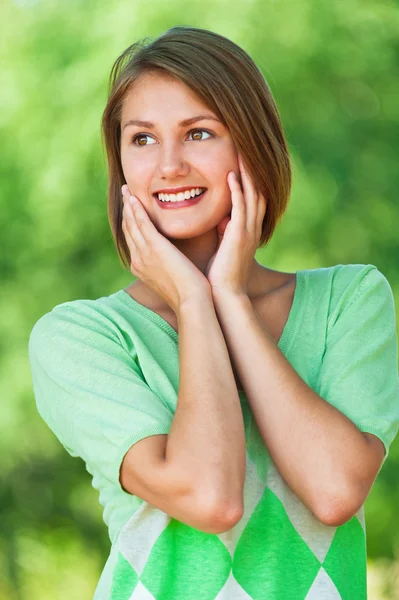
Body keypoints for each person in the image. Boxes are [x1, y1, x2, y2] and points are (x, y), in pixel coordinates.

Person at [28, 26, 399, 600]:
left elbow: (334, 492)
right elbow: (211, 498)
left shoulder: (349, 302)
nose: (169, 166)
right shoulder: (82, 338)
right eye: (142, 139)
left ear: (253, 144)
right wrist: (195, 301)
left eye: (199, 133)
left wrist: (229, 299)